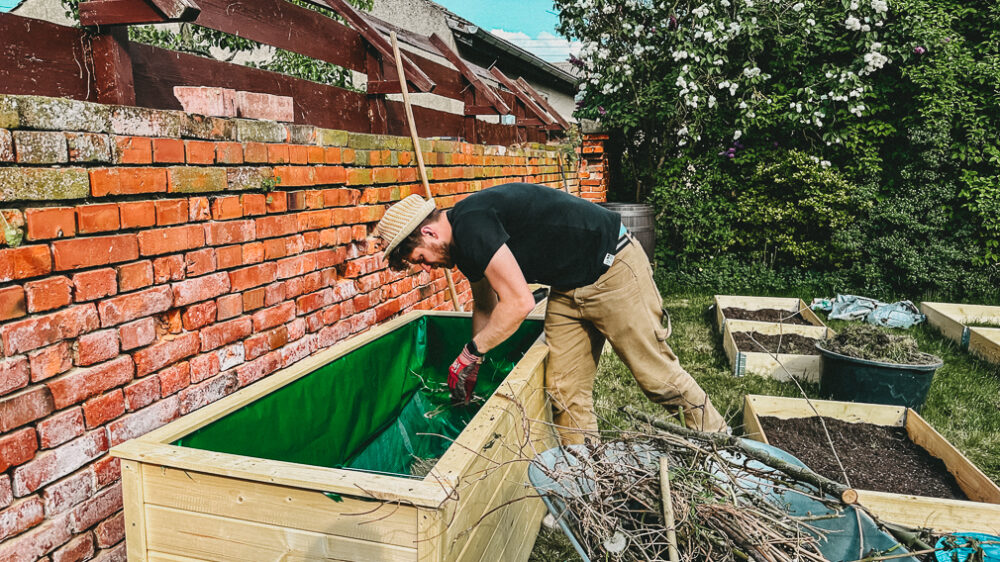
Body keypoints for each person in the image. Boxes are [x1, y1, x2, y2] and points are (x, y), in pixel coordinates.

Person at [373, 183, 728, 444]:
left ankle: (721, 446)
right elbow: (486, 306)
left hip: (613, 269)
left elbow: (519, 303)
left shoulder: (472, 225)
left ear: (428, 232)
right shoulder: (463, 244)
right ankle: (584, 483)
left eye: (421, 258)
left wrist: (470, 353)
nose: (428, 267)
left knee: (656, 377)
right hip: (568, 286)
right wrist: (475, 366)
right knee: (564, 388)